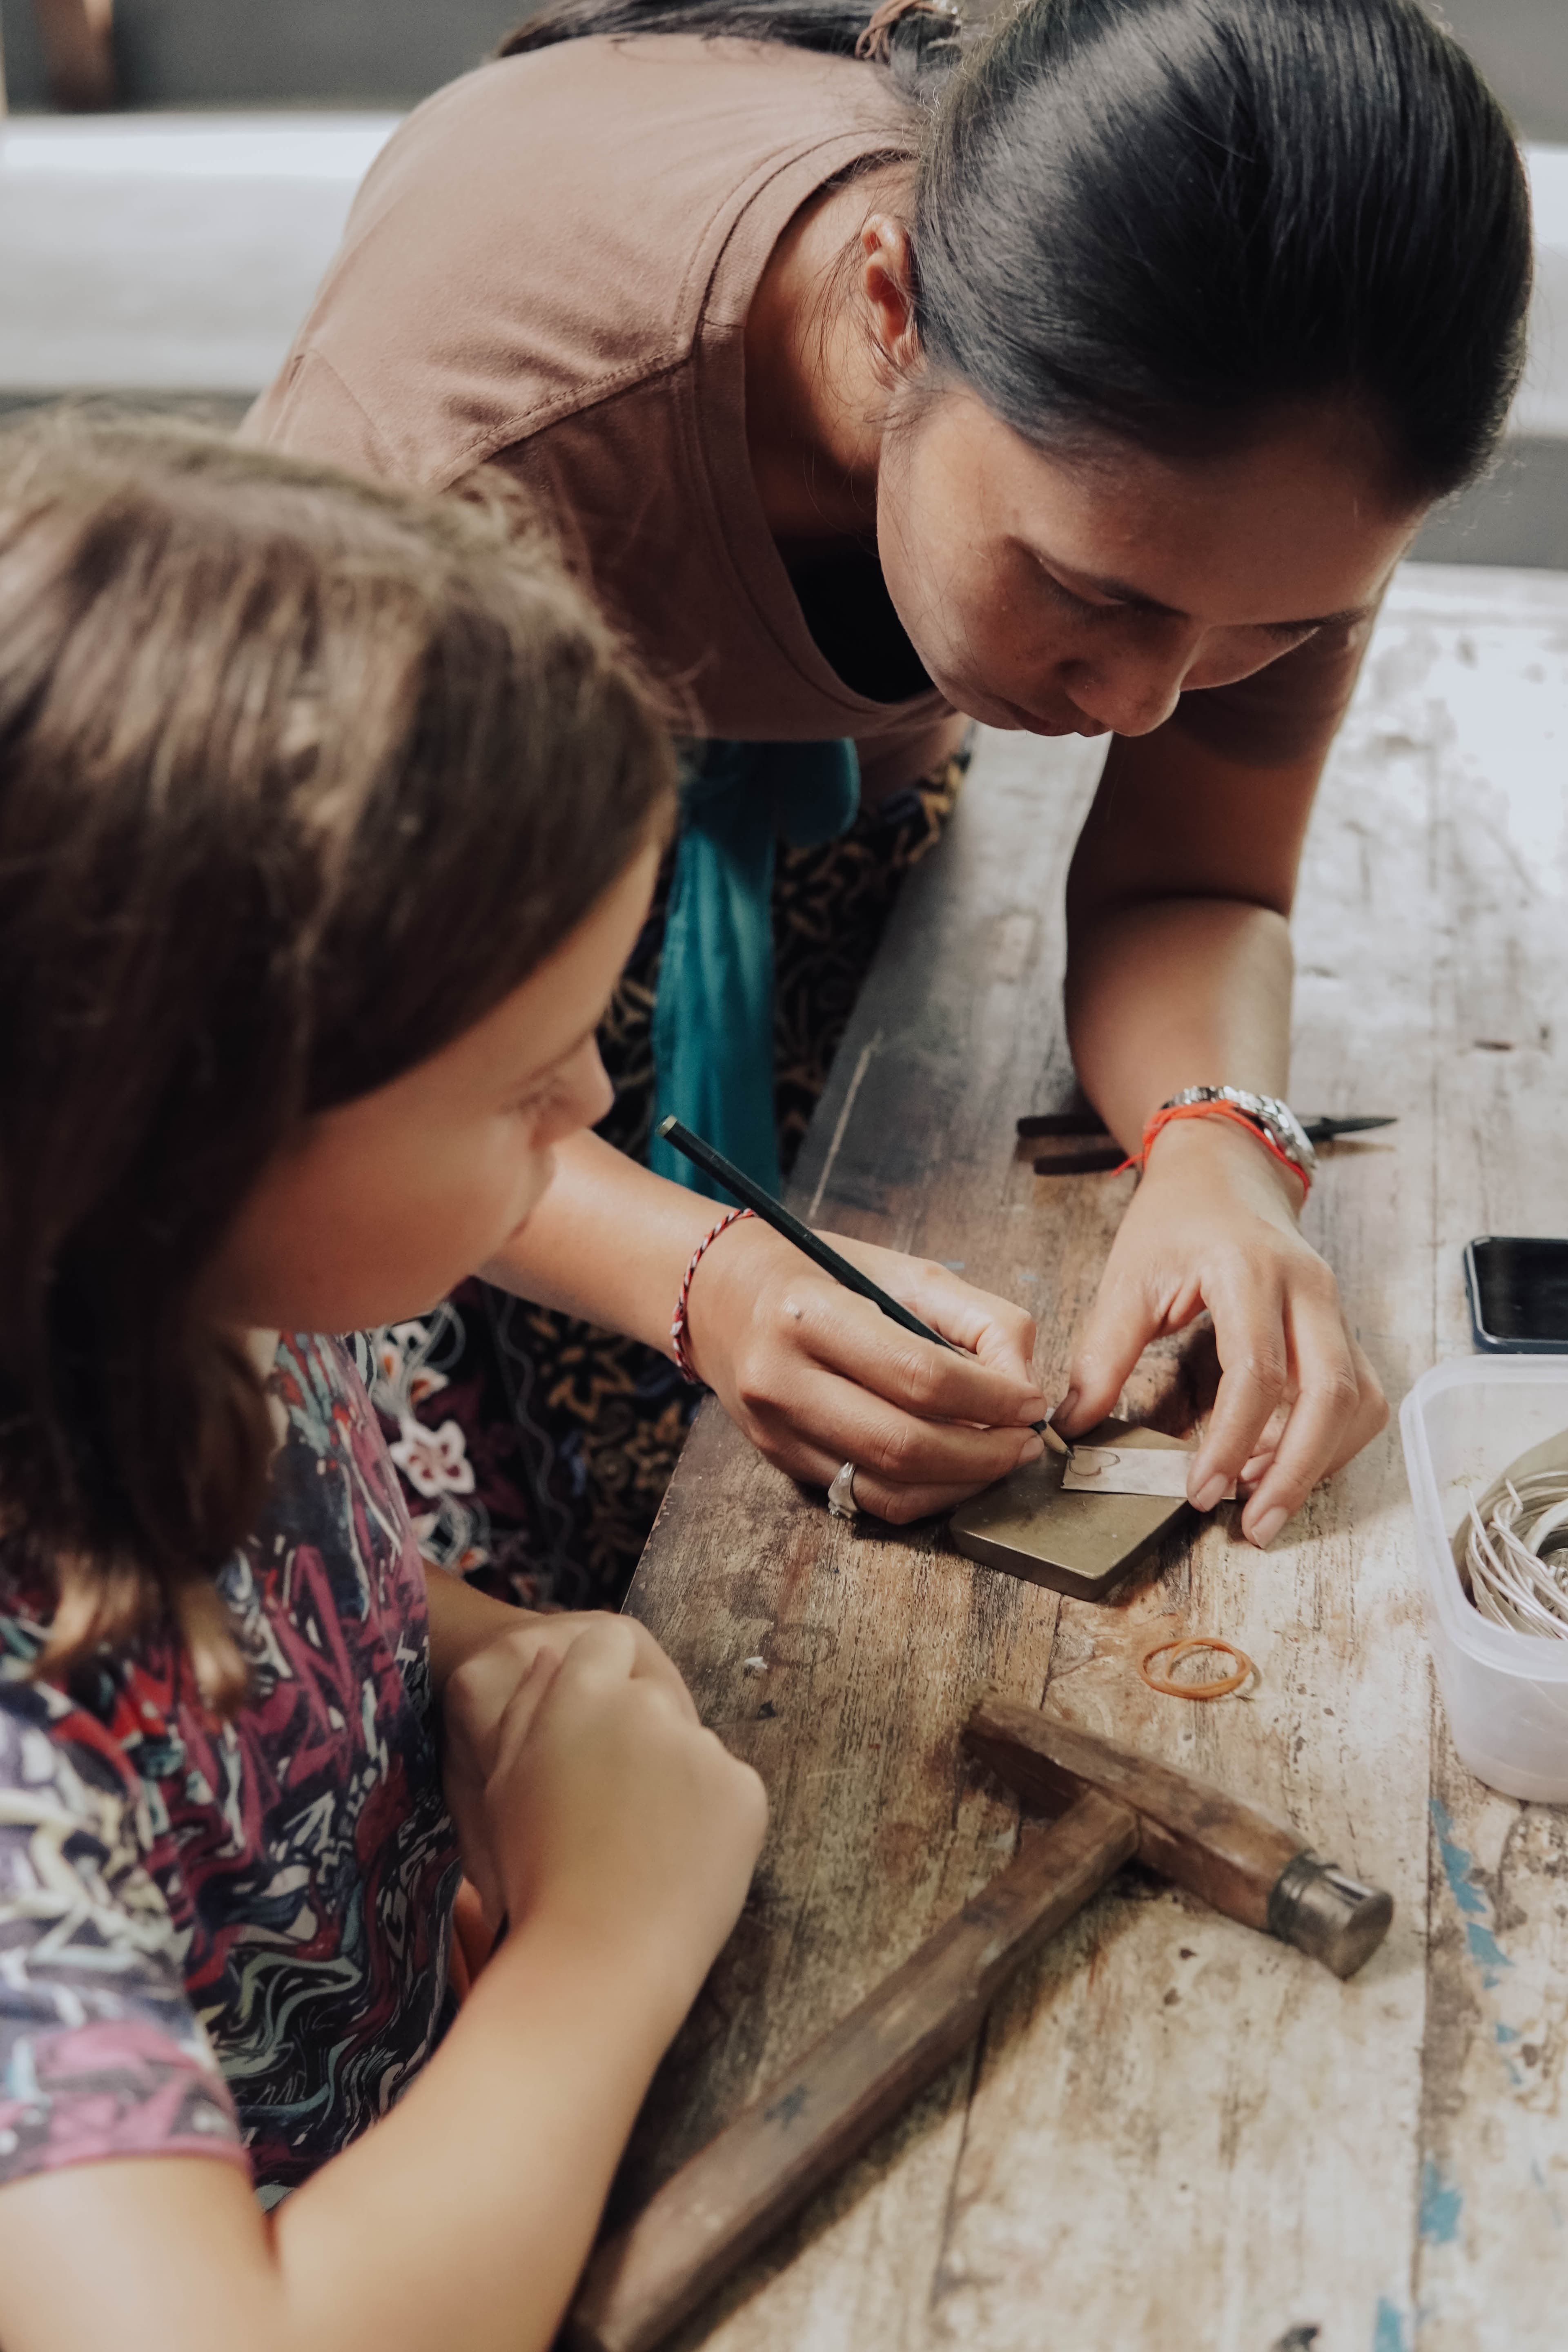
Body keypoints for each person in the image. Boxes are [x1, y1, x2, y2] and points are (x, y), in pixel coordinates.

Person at [247, 0, 1531, 1594]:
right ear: (893, 314)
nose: (1147, 702)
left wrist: (1219, 1153)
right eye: (1090, 588)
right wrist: (705, 1278)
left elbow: (1191, 884)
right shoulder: (465, 458)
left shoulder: (1270, 446)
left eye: (1275, 629)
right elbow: (319, 1064)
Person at [0, 413, 767, 2350]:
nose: (598, 1107)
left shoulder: (212, 1306)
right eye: (525, 1087)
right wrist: (615, 1928)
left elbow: (278, 1611)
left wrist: (487, 1657)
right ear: (192, 1126)